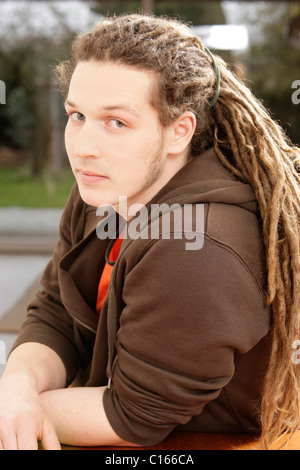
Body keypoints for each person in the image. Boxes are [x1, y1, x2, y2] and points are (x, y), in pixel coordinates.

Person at [0, 13, 299, 451]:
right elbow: (58, 311)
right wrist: (18, 385)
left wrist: (17, 409)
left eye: (116, 122)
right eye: (77, 114)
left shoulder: (199, 247)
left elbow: (132, 417)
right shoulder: (106, 189)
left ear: (179, 132)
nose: (83, 146)